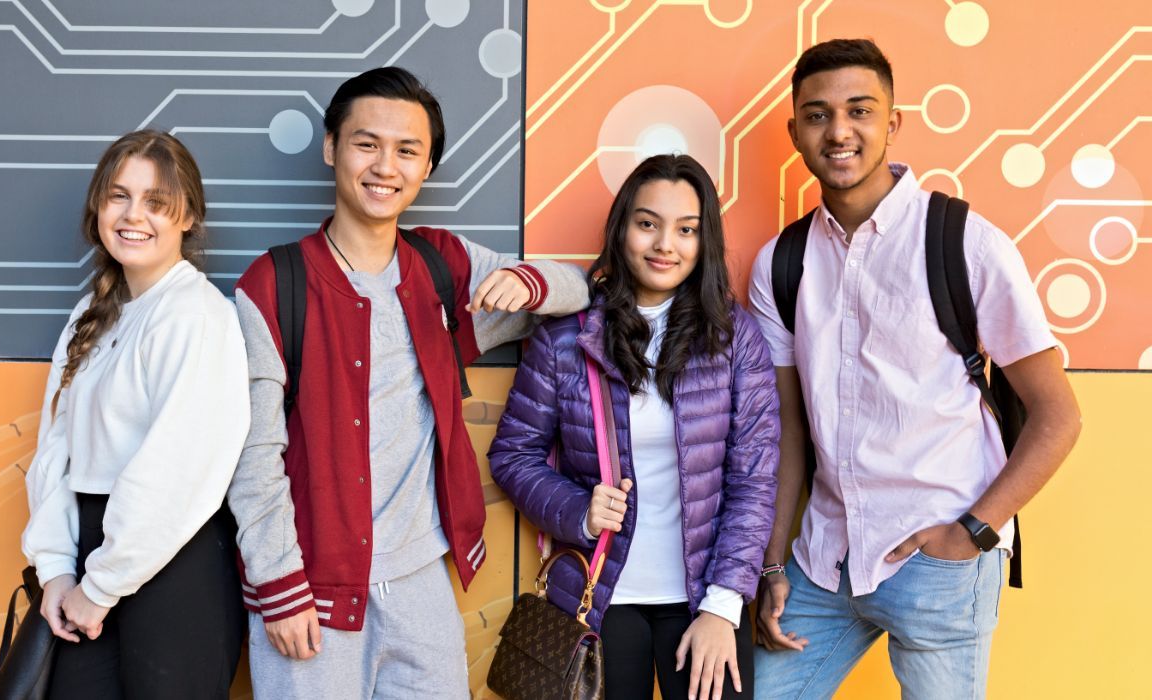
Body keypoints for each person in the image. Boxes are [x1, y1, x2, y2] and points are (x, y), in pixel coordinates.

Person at [227, 66, 589, 698]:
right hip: (311, 584)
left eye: (407, 150)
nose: (384, 166)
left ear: (426, 168)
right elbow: (255, 454)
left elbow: (580, 289)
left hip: (420, 580)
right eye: (366, 144)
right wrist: (279, 587)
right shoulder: (274, 283)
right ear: (331, 148)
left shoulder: (439, 264)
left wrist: (528, 281)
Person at [748, 39, 1082, 699]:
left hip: (940, 557)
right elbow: (786, 430)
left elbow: (1059, 413)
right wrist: (770, 565)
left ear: (892, 123)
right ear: (794, 132)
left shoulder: (965, 243)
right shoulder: (780, 263)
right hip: (825, 559)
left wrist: (974, 531)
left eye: (860, 110)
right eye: (816, 115)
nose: (839, 130)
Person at [488, 154, 779, 700]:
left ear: (705, 239)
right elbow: (512, 455)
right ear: (622, 228)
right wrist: (577, 509)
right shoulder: (566, 339)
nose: (665, 244)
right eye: (648, 224)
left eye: (686, 230)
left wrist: (723, 606)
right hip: (598, 601)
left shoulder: (735, 338)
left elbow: (754, 481)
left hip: (704, 600)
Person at [21, 130, 251, 698]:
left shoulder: (197, 314)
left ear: (188, 215)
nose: (132, 216)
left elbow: (179, 472)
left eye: (155, 201)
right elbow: (55, 451)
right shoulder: (90, 315)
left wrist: (98, 588)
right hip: (90, 552)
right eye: (118, 196)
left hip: (175, 560)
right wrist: (55, 569)